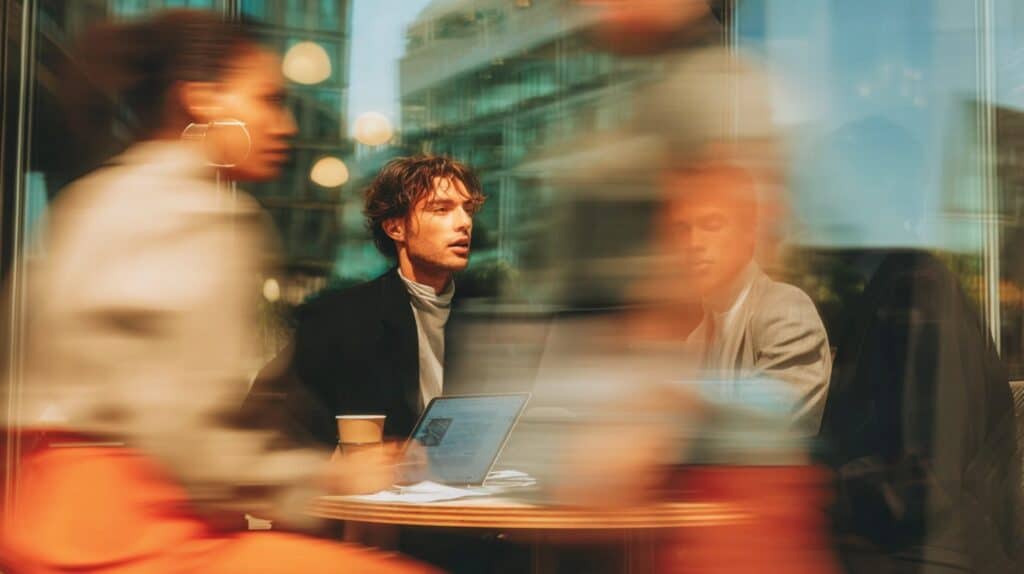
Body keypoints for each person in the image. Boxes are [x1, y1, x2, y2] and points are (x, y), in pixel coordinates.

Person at [0, 10, 434, 573]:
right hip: (135, 539)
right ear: (201, 101)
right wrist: (332, 474)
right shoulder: (200, 216)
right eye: (268, 100)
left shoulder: (94, 199)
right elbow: (183, 443)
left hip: (42, 529)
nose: (286, 125)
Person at [245, 155, 485, 448]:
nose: (464, 223)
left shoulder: (483, 312)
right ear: (396, 228)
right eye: (441, 209)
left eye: (468, 209)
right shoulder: (346, 318)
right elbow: (263, 424)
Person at [667, 161, 832, 433]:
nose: (693, 243)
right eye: (682, 229)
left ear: (749, 233)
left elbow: (763, 432)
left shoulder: (787, 309)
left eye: (711, 224)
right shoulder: (695, 341)